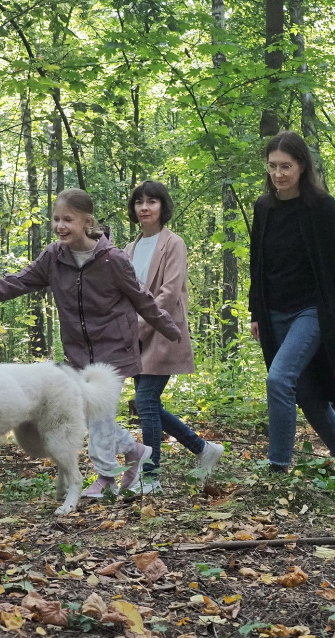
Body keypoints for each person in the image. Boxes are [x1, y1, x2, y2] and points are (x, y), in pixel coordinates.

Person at [0, 188, 182, 497]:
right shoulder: (54, 257)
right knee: (89, 414)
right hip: (78, 351)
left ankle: (106, 479)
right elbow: (17, 281)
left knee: (100, 418)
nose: (60, 226)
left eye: (68, 219)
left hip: (114, 349)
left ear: (87, 222)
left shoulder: (113, 259)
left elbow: (143, 298)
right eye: (56, 219)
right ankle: (135, 451)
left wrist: (169, 328)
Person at [249, 131, 335, 473]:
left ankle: (278, 467)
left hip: (314, 310)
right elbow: (257, 264)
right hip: (275, 312)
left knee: (279, 379)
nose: (278, 174)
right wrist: (256, 312)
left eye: (286, 166)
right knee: (306, 391)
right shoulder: (264, 207)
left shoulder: (319, 207)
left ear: (301, 166)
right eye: (272, 166)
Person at [123, 181, 224, 494]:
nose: (144, 207)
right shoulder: (129, 248)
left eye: (151, 201)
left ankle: (151, 478)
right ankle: (204, 449)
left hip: (162, 332)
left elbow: (168, 292)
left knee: (146, 402)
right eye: (139, 202)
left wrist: (139, 324)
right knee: (147, 404)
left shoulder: (174, 243)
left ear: (162, 207)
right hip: (134, 336)